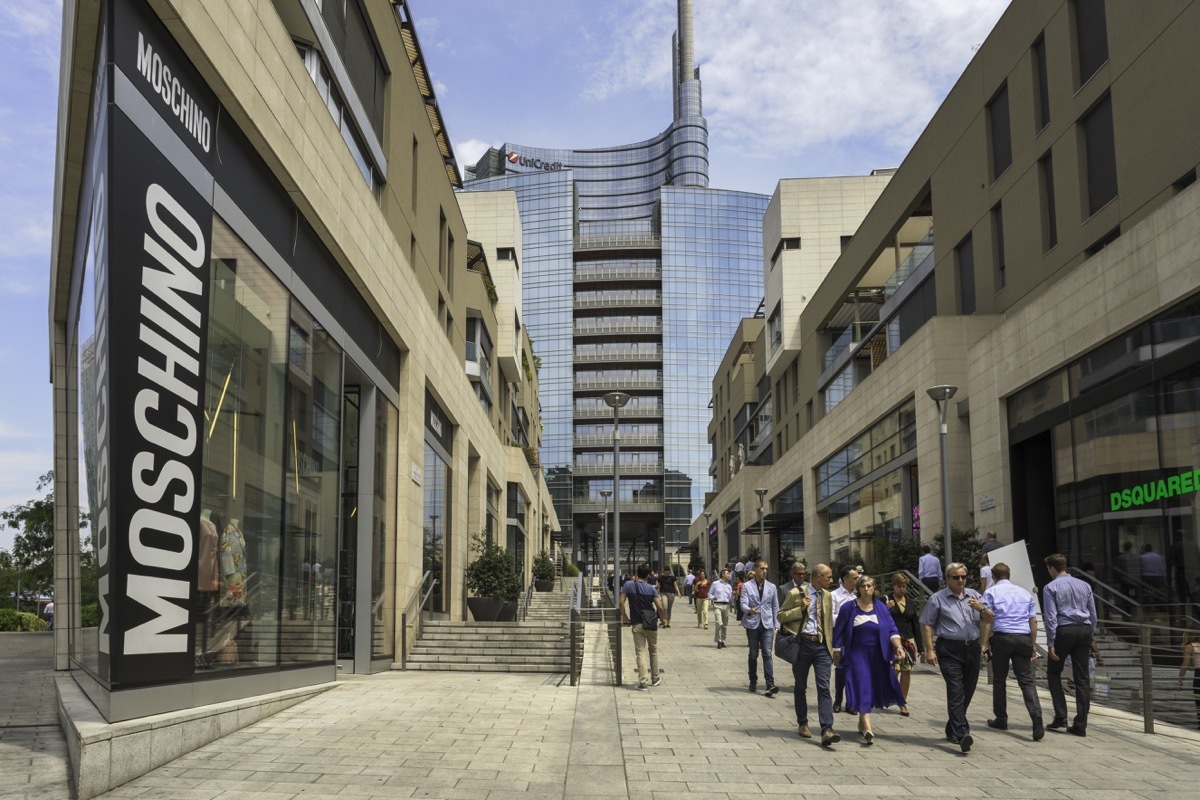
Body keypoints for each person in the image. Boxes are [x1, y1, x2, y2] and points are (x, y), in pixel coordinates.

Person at [921, 562, 992, 754]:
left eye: (963, 577)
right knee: (956, 690)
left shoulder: (974, 596)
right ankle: (962, 733)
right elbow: (927, 625)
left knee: (967, 691)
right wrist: (929, 650)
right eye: (956, 577)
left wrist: (981, 609)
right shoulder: (938, 599)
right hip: (949, 649)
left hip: (972, 649)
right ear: (947, 579)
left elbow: (990, 618)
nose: (960, 580)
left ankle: (952, 728)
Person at [834, 575, 906, 744]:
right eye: (863, 586)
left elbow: (891, 630)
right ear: (858, 589)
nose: (866, 589)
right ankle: (867, 726)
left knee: (871, 686)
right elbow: (838, 631)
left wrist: (899, 646)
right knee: (862, 684)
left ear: (874, 588)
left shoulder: (881, 608)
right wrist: (837, 652)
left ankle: (861, 721)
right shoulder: (848, 608)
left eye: (869, 586)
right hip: (856, 653)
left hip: (877, 654)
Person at [979, 562, 1044, 741]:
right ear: (1009, 574)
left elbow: (987, 619)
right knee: (1026, 681)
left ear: (993, 576)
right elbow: (1033, 621)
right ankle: (1036, 715)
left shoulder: (990, 592)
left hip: (1002, 637)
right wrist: (1032, 644)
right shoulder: (1024, 592)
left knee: (999, 679)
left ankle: (1001, 718)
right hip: (1023, 638)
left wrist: (983, 644)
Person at [779, 563, 841, 746]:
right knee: (800, 686)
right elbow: (781, 616)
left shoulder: (828, 596)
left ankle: (826, 729)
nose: (831, 580)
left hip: (822, 646)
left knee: (824, 687)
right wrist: (801, 609)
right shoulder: (797, 593)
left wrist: (834, 647)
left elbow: (830, 622)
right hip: (803, 644)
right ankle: (803, 722)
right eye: (828, 577)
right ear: (818, 577)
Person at [1043, 553, 1097, 736]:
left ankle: (1061, 715)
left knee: (1053, 672)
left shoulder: (1051, 587)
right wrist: (1091, 634)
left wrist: (1050, 642)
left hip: (1064, 630)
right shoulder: (1085, 585)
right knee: (1082, 678)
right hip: (1084, 629)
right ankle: (1081, 722)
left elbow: (1051, 617)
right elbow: (1093, 614)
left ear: (1052, 568)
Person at [619, 565, 670, 690]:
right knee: (653, 650)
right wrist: (663, 619)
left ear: (637, 573)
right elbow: (660, 606)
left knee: (640, 653)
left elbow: (621, 602)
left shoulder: (628, 585)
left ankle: (643, 682)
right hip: (650, 623)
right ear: (648, 575)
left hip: (636, 623)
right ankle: (655, 677)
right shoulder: (651, 588)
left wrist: (624, 616)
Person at [740, 560, 780, 696]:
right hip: (752, 623)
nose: (764, 571)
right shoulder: (747, 586)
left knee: (767, 653)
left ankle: (770, 683)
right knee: (753, 653)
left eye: (766, 569)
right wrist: (749, 610)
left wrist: (777, 625)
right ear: (756, 569)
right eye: (762, 568)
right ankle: (753, 679)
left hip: (767, 623)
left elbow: (775, 607)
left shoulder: (772, 587)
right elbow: (743, 603)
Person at [885, 573, 922, 715]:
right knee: (894, 671)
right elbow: (878, 617)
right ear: (893, 586)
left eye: (904, 586)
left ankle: (902, 702)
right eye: (898, 586)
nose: (901, 589)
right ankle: (888, 694)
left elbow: (916, 625)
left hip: (907, 640)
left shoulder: (910, 602)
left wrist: (921, 646)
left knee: (906, 671)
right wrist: (886, 608)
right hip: (891, 640)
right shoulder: (886, 600)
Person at [830, 565, 860, 712]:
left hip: (857, 637)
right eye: (855, 578)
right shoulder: (834, 596)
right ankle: (838, 699)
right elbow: (830, 616)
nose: (857, 580)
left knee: (854, 670)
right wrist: (847, 619)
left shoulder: (858, 595)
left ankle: (851, 702)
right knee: (841, 669)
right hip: (841, 637)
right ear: (845, 579)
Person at [1178, 629, 1200, 729]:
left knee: (1199, 700)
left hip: (1199, 674)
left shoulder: (1190, 647)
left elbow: (1185, 665)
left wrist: (1180, 679)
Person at [710, 569, 734, 648]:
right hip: (717, 605)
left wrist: (733, 595)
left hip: (726, 605)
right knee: (719, 623)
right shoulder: (715, 583)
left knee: (725, 624)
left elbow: (730, 598)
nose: (729, 575)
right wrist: (713, 597)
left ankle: (723, 640)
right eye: (727, 573)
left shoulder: (729, 586)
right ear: (723, 575)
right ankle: (718, 640)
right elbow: (709, 593)